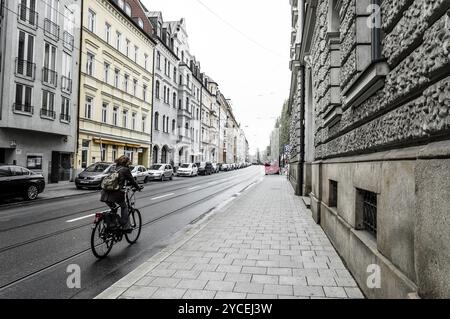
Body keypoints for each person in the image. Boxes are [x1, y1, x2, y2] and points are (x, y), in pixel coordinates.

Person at [100, 155, 142, 232]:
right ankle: (124, 226)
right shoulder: (125, 169)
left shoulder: (114, 168)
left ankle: (112, 226)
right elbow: (132, 181)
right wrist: (138, 187)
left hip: (104, 193)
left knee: (113, 209)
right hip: (116, 194)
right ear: (127, 163)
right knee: (124, 207)